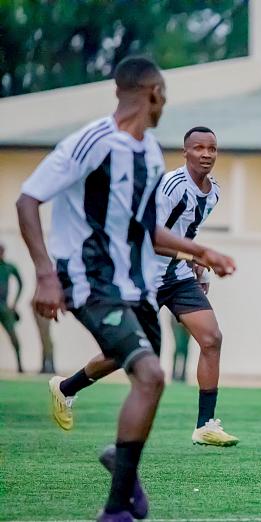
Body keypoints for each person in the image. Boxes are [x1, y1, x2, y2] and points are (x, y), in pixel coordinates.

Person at [16, 56, 235, 521]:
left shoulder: (150, 153)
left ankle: (120, 457)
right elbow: (28, 199)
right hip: (86, 280)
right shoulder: (93, 141)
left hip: (132, 284)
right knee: (151, 374)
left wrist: (200, 253)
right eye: (164, 96)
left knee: (145, 372)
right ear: (154, 93)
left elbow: (146, 229)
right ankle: (115, 509)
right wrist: (45, 274)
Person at [49, 126, 238, 446]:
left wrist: (194, 264)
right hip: (143, 277)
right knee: (124, 352)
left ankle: (205, 426)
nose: (206, 154)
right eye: (198, 148)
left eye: (212, 149)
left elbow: (183, 234)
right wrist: (196, 255)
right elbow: (148, 237)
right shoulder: (171, 186)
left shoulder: (214, 191)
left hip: (176, 276)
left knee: (212, 338)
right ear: (185, 152)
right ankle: (66, 387)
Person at [0, 243, 23, 372]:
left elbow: (21, 283)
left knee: (14, 337)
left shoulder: (8, 267)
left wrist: (14, 303)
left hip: (4, 308)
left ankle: (20, 365)